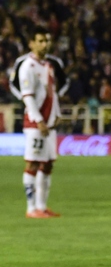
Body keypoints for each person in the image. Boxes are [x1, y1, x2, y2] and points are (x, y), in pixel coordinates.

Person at [16, 27, 62, 218]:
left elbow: (52, 92)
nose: (45, 44)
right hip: (37, 125)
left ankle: (42, 207)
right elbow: (27, 96)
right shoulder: (28, 66)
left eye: (47, 40)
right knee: (33, 163)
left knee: (48, 164)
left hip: (49, 124)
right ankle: (31, 208)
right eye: (41, 41)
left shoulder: (48, 65)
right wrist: (39, 120)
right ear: (32, 43)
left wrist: (57, 113)